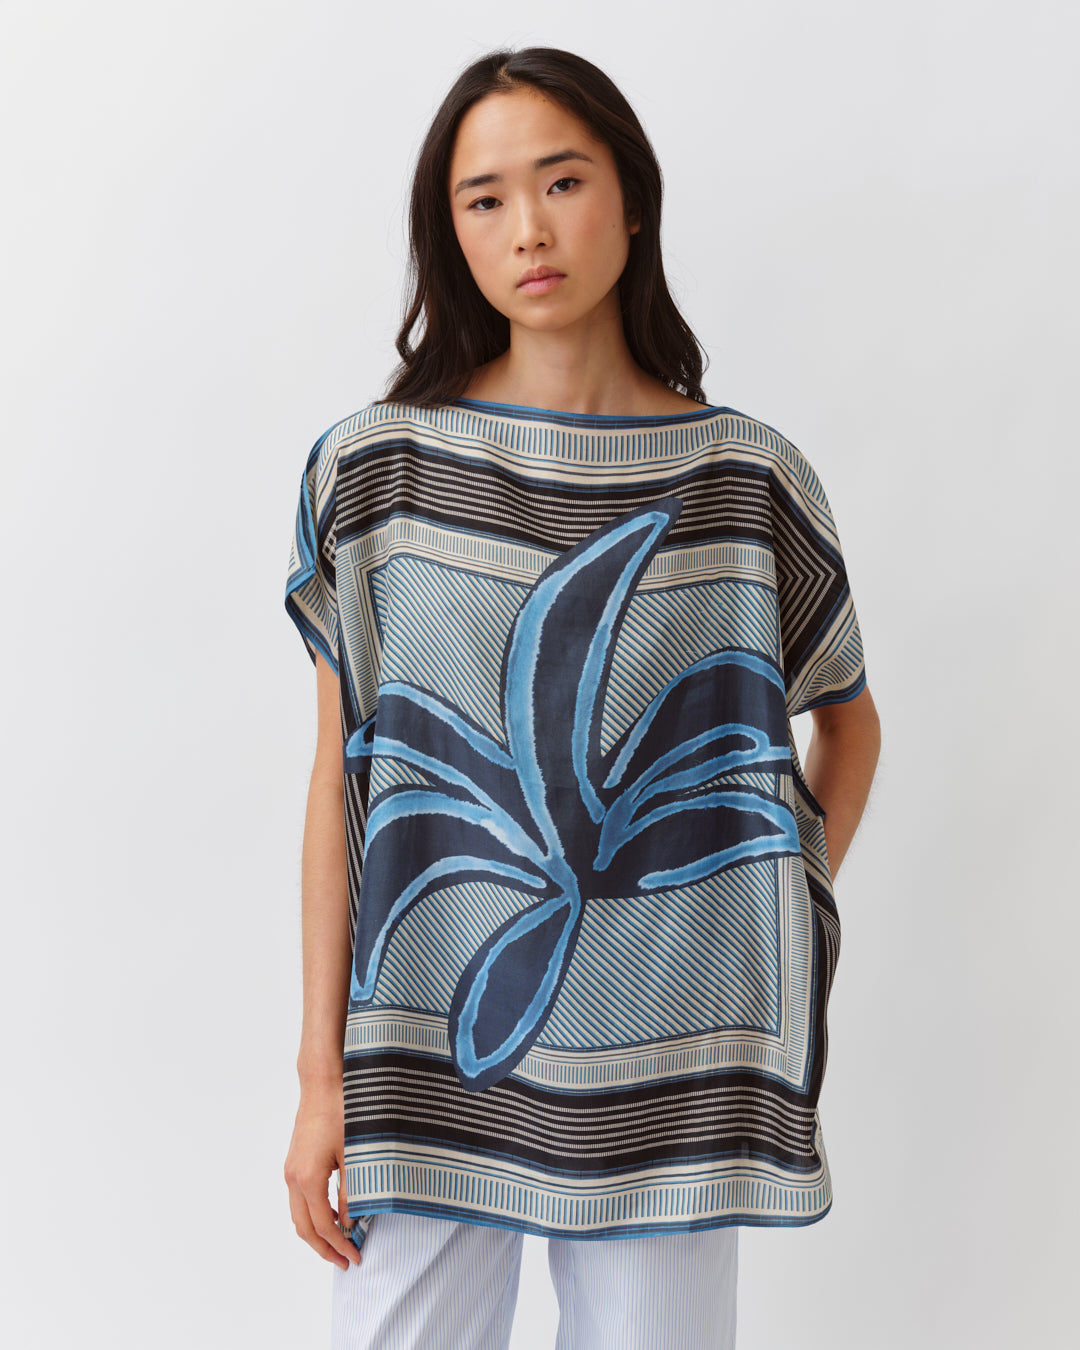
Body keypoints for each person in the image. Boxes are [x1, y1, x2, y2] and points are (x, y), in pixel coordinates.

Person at [282, 46, 881, 1350]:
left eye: (562, 181)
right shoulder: (376, 474)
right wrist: (320, 1077)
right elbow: (343, 788)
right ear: (449, 233)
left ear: (633, 199)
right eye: (484, 198)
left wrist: (758, 906)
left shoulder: (746, 479)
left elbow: (847, 721)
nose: (529, 230)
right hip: (429, 1055)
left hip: (672, 1067)